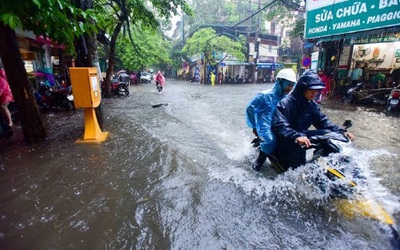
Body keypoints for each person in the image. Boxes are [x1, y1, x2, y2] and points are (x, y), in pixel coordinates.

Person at [271, 71, 355, 172]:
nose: (314, 93)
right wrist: (296, 136)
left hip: (303, 135)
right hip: (287, 138)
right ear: (302, 88)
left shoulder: (312, 105)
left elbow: (323, 122)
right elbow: (279, 125)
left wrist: (341, 131)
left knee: (326, 134)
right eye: (311, 89)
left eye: (316, 90)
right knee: (296, 169)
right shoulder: (286, 103)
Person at [245, 68, 297, 171]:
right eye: (288, 85)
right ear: (280, 82)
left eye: (292, 85)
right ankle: (260, 161)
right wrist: (254, 126)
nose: (290, 88)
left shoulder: (288, 98)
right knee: (270, 141)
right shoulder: (264, 96)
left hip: (278, 124)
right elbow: (250, 109)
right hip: (263, 125)